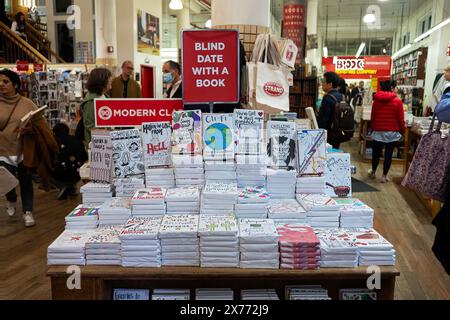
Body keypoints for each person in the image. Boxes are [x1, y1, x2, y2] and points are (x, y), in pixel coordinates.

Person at [0, 69, 37, 227]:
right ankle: (11, 199)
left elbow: (39, 125)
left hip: (22, 150)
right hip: (2, 150)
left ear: (15, 84)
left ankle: (28, 212)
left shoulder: (27, 103)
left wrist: (29, 129)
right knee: (4, 179)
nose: (1, 85)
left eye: (5, 81)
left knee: (26, 181)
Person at [368, 80, 405, 183]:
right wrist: (402, 131)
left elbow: (373, 117)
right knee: (388, 154)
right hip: (392, 132)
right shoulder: (397, 101)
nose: (397, 89)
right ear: (392, 88)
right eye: (396, 87)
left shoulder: (376, 100)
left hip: (378, 131)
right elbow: (400, 119)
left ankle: (373, 172)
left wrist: (373, 128)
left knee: (376, 153)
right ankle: (384, 176)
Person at [50, 123, 88, 200]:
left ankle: (64, 186)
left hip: (59, 173)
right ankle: (71, 188)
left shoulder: (53, 142)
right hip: (77, 174)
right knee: (73, 168)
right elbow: (84, 157)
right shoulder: (77, 140)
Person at [81, 68, 113, 149]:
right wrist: (108, 132)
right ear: (102, 81)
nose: (111, 80)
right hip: (98, 146)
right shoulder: (90, 101)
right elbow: (90, 126)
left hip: (105, 142)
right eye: (109, 78)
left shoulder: (104, 96)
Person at [317, 71, 343, 149]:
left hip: (328, 135)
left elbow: (323, 121)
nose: (322, 84)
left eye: (324, 82)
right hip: (338, 132)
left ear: (330, 84)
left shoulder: (328, 98)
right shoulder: (341, 96)